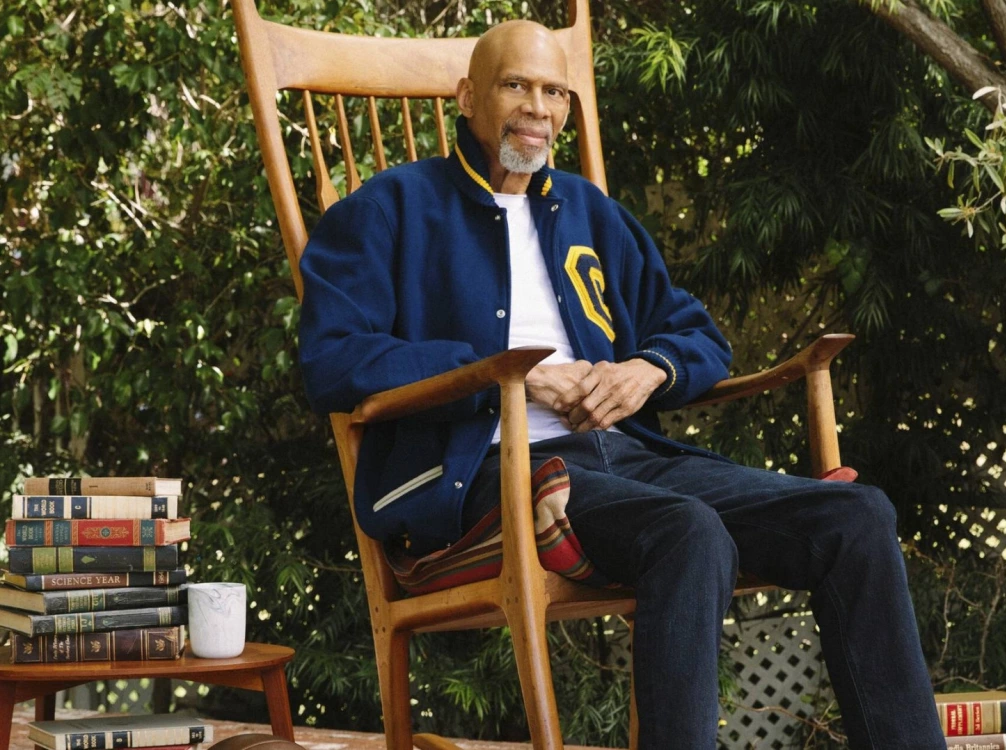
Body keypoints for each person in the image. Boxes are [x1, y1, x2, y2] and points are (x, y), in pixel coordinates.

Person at [297, 19, 945, 750]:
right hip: (479, 473)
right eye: (515, 85)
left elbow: (697, 335)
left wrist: (647, 370)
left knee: (856, 516)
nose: (537, 107)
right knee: (687, 531)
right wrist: (512, 376)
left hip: (625, 461)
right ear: (468, 98)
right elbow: (333, 359)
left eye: (554, 91)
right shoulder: (387, 210)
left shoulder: (590, 214)